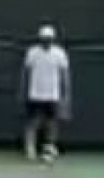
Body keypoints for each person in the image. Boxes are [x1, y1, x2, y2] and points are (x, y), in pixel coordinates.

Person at [22, 24, 72, 163]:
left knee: (52, 124)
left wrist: (65, 95)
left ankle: (48, 150)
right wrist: (24, 91)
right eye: (44, 38)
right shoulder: (32, 52)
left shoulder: (60, 53)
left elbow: (64, 75)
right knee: (33, 122)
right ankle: (30, 149)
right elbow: (26, 73)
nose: (46, 41)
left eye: (49, 38)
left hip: (52, 95)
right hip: (35, 94)